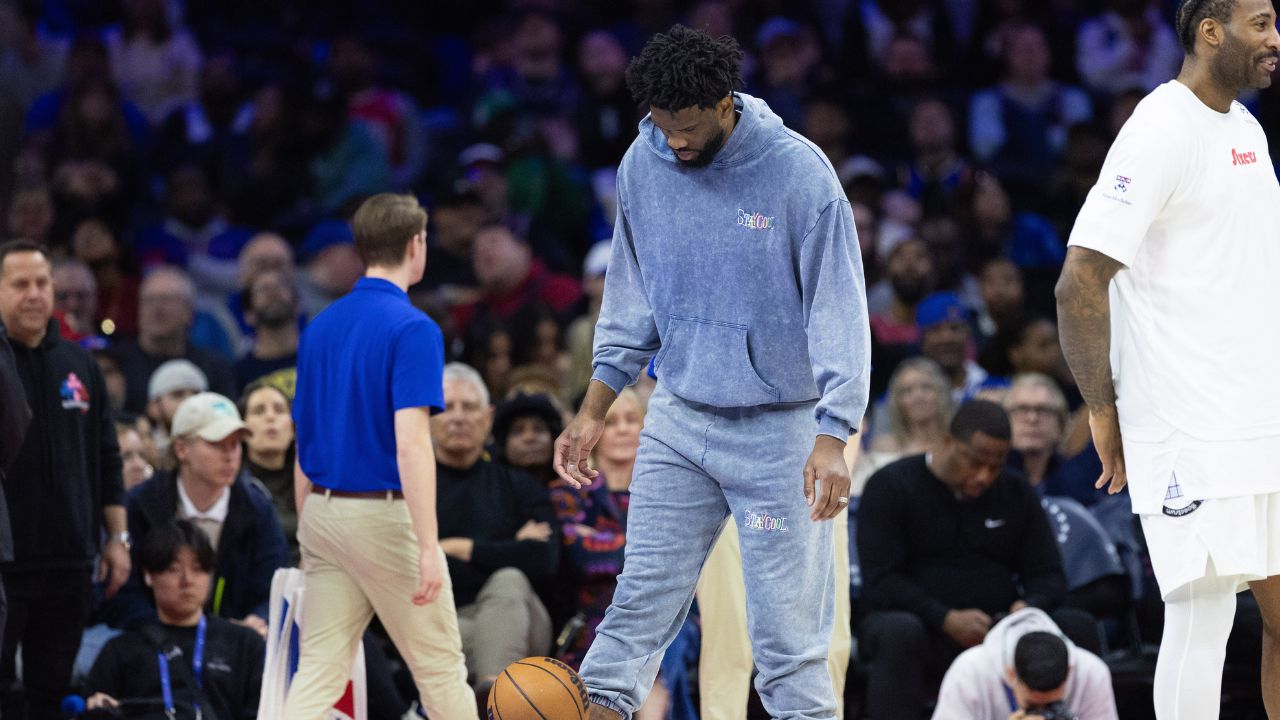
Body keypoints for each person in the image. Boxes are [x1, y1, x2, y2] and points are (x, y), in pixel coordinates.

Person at [553, 26, 869, 720]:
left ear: (726, 103)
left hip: (779, 434)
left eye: (688, 127)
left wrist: (834, 433)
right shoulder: (645, 159)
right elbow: (630, 295)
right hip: (679, 417)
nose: (676, 144)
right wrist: (593, 407)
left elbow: (840, 310)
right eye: (662, 128)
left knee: (787, 639)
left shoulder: (799, 174)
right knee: (638, 602)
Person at [1054, 1, 1280, 716]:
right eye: (1263, 24)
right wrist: (1102, 408)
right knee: (1202, 615)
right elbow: (1078, 280)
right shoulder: (1158, 130)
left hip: (1254, 412)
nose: (1276, 40)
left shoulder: (1242, 124)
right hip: (1185, 418)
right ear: (1211, 32)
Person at [287, 194, 477, 720]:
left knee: (317, 673)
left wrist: (307, 525)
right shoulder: (413, 327)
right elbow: (412, 441)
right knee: (440, 669)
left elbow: (303, 439)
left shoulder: (319, 326)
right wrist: (428, 544)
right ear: (417, 245)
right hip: (382, 515)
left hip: (322, 512)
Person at [856, 400, 1085, 720]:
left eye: (996, 466)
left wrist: (1030, 605)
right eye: (975, 461)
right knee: (899, 631)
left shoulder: (1016, 490)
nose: (983, 475)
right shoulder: (890, 485)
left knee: (1077, 625)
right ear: (948, 442)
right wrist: (945, 618)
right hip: (920, 627)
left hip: (998, 631)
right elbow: (881, 581)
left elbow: (1047, 573)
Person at [0, 239, 129, 719]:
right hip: (5, 567)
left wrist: (117, 539)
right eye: (19, 284)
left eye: (41, 283)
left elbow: (107, 456)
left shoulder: (80, 364)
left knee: (51, 696)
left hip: (71, 562)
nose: (33, 294)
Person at [110, 392, 288, 635]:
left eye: (235, 444)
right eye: (216, 444)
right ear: (182, 449)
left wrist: (257, 620)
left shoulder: (257, 508)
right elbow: (122, 592)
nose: (230, 455)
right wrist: (168, 632)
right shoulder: (140, 505)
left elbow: (273, 587)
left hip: (235, 643)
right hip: (152, 637)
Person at [431, 363, 558, 691]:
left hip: (524, 620)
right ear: (427, 416)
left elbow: (544, 560)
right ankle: (498, 699)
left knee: (509, 580)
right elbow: (403, 568)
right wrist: (509, 547)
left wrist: (457, 548)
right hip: (443, 623)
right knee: (475, 628)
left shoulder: (518, 486)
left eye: (469, 407)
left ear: (487, 417)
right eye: (447, 407)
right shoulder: (410, 488)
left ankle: (492, 697)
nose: (458, 417)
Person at [86, 519, 264, 719]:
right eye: (174, 569)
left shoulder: (245, 645)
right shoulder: (120, 651)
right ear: (149, 575)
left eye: (198, 569)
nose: (187, 580)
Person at [933, 609, 1118, 720]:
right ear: (1011, 674)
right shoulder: (969, 670)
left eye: (1054, 706)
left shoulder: (1091, 671)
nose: (1042, 714)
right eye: (1031, 705)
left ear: (1070, 672)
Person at [111, 266, 235, 414]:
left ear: (189, 312)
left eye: (166, 300)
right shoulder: (115, 364)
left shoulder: (215, 368)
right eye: (149, 300)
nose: (157, 308)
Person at [239, 380, 298, 562]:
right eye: (258, 411)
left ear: (293, 429)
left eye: (279, 410)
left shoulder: (311, 479)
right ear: (242, 429)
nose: (270, 417)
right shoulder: (234, 483)